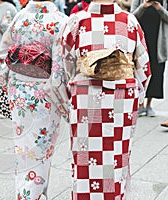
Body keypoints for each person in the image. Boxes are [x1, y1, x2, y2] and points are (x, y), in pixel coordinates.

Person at [46, 0, 151, 199]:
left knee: (86, 163)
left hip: (85, 100)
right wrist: (134, 101)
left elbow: (60, 74)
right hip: (122, 102)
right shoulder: (130, 21)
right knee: (116, 159)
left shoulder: (76, 21)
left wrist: (69, 105)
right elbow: (144, 72)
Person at [0, 0, 68, 198]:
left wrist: (10, 83)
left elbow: (5, 55)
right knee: (42, 149)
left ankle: (31, 192)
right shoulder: (60, 21)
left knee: (23, 148)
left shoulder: (19, 18)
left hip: (18, 92)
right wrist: (64, 102)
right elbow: (59, 69)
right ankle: (30, 194)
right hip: (46, 94)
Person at [131, 0, 168, 117]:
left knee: (156, 73)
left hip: (158, 43)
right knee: (139, 71)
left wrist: (159, 8)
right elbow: (131, 17)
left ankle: (148, 104)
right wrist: (143, 6)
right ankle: (140, 105)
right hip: (141, 42)